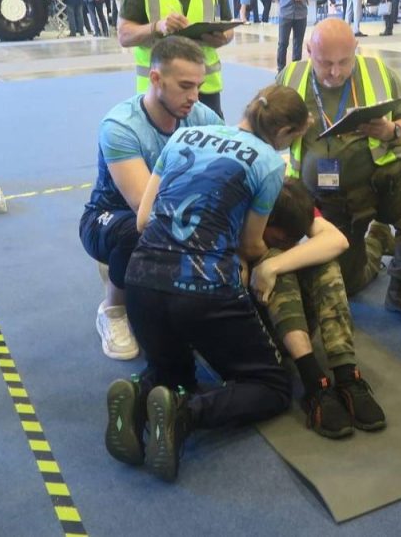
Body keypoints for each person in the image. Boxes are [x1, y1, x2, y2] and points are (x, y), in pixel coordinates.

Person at [103, 86, 311, 483]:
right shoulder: (269, 164)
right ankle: (187, 415)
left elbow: (144, 221)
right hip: (203, 289)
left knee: (173, 372)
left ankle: (139, 394)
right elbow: (250, 244)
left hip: (141, 281)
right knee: (272, 385)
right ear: (283, 133)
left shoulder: (181, 134)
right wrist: (268, 260)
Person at [278, 18, 401, 329]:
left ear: (356, 49)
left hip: (388, 182)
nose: (335, 72)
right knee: (348, 284)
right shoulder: (290, 77)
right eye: (325, 62)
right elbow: (268, 135)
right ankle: (378, 241)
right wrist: (291, 130)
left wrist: (390, 130)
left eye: (344, 62)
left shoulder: (379, 72)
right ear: (308, 50)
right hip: (331, 200)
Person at [79, 36, 222, 361]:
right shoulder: (120, 126)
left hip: (178, 209)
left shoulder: (203, 117)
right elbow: (148, 209)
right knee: (139, 233)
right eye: (185, 86)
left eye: (198, 86)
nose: (194, 97)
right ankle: (113, 309)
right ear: (155, 79)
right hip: (110, 217)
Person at [251, 179, 386, 438]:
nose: (290, 243)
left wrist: (274, 264)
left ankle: (347, 376)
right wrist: (268, 265)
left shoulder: (290, 203)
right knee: (275, 261)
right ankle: (314, 383)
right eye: (281, 237)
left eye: (294, 238)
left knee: (322, 261)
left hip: (291, 319)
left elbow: (337, 241)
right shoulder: (246, 215)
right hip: (258, 328)